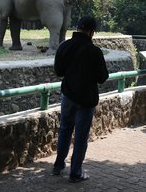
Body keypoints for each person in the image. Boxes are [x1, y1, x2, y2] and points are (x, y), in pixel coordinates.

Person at [52, 16, 109, 183]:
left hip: (68, 96)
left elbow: (58, 71)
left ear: (78, 28)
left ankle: (58, 165)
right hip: (86, 99)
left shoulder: (65, 46)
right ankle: (75, 172)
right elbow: (102, 77)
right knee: (81, 136)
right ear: (91, 32)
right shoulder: (95, 52)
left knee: (64, 130)